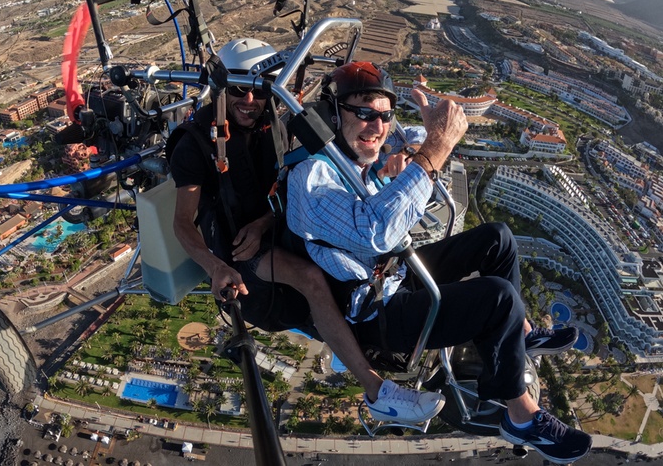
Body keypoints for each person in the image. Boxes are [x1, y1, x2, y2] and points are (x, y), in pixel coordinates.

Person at [286, 61, 591, 464]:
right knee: (496, 299)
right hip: (374, 314)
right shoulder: (313, 177)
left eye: (383, 115)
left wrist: (409, 153)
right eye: (363, 112)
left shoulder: (352, 165)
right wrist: (436, 146)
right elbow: (376, 231)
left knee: (496, 238)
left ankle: (522, 334)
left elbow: (395, 160)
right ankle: (521, 417)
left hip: (391, 275)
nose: (376, 126)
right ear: (330, 115)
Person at [169, 39, 445, 424]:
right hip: (238, 249)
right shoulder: (195, 143)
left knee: (363, 243)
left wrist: (267, 220)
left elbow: (291, 180)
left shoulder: (273, 124)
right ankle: (376, 390)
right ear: (221, 88)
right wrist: (214, 266)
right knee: (311, 278)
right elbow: (182, 221)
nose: (250, 99)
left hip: (276, 224)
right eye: (238, 90)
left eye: (260, 87)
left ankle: (386, 326)